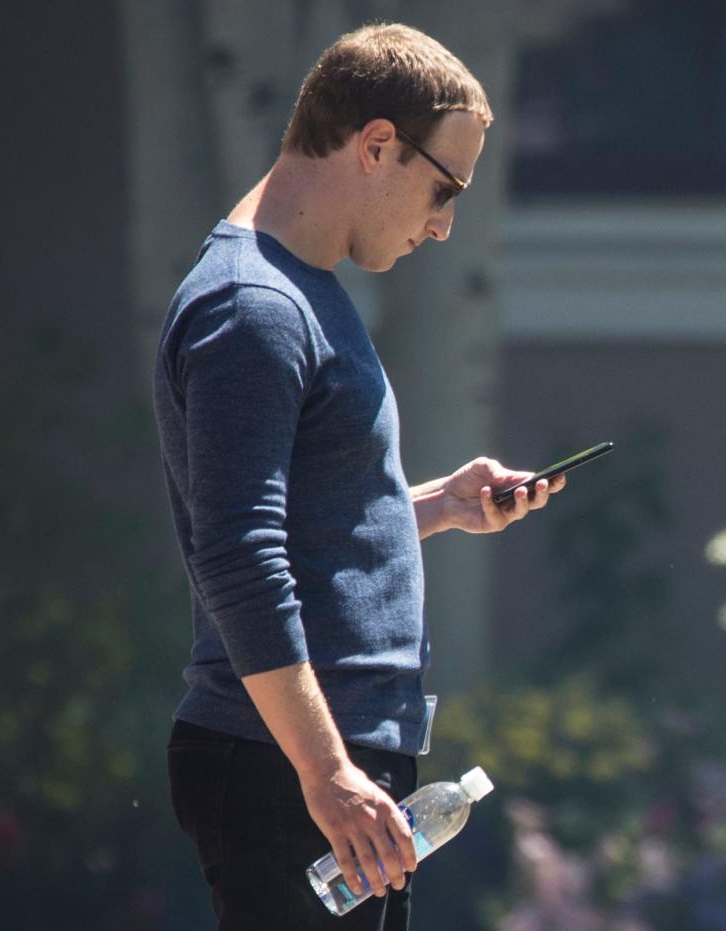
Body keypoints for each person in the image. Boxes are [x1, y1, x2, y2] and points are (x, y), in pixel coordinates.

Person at [153, 23, 560, 930]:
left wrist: (438, 506)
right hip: (290, 764)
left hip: (323, 760)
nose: (445, 223)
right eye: (443, 188)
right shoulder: (253, 305)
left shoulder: (301, 288)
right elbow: (238, 556)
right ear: (377, 145)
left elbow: (301, 525)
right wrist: (326, 772)